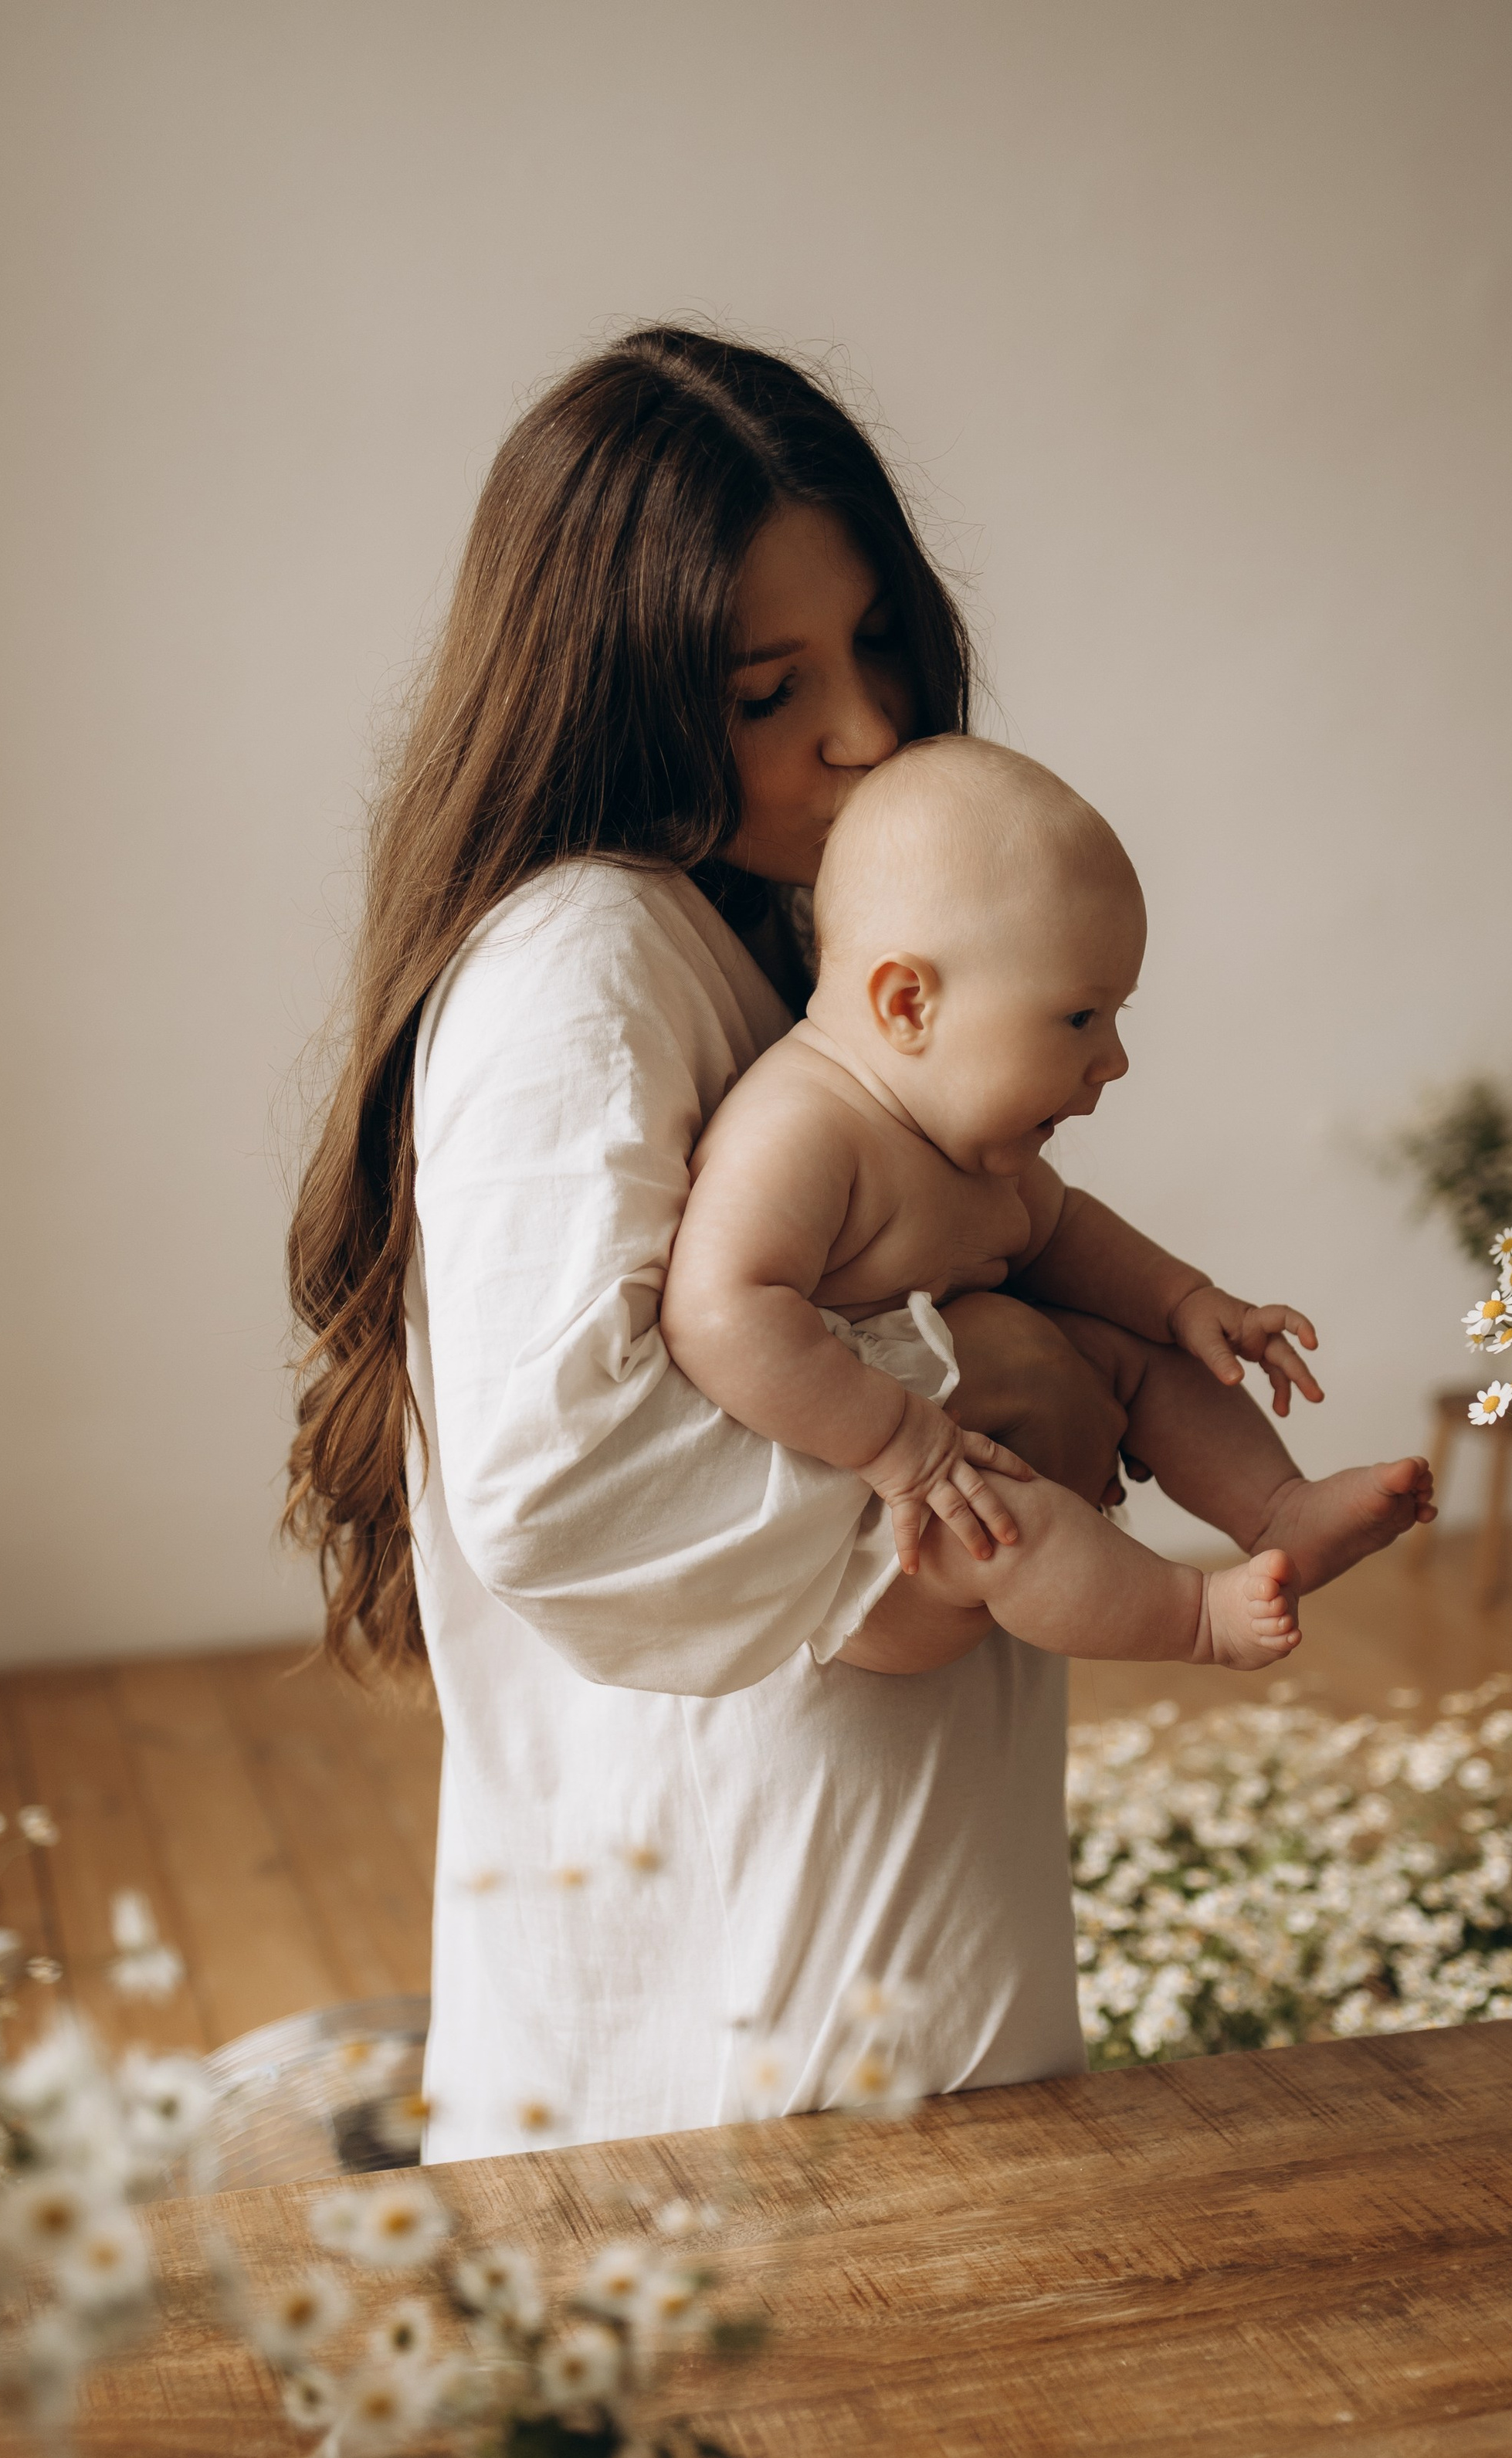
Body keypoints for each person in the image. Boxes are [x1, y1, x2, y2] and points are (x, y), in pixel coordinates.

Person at [287, 328, 1231, 2158]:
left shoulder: (744, 925)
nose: (866, 726)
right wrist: (980, 1380)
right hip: (754, 1939)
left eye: (875, 638)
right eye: (764, 684)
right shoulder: (581, 966)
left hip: (847, 1856)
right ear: (611, 694)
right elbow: (555, 1475)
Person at [659, 734, 1436, 1673]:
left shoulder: (958, 1139)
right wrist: (903, 1444)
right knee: (1007, 1520)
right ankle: (1191, 1617)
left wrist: (1187, 1301)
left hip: (963, 1453)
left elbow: (1063, 1230)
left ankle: (1277, 1508)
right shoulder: (802, 1127)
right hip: (880, 1540)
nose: (1112, 1059)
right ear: (908, 1005)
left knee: (1138, 1348)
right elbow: (718, 1313)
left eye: (1117, 1017)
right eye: (1078, 1016)